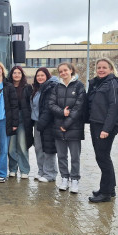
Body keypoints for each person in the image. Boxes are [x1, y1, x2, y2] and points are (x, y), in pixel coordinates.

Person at [85, 58, 118, 203]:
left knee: (103, 158)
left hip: (106, 126)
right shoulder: (98, 83)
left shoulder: (112, 84)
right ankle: (109, 188)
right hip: (96, 123)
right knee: (102, 156)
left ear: (111, 69)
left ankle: (106, 193)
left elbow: (114, 107)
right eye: (99, 67)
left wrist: (106, 129)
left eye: (104, 67)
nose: (101, 70)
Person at [49, 62, 86, 193]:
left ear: (71, 70)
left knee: (75, 156)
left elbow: (78, 108)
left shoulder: (79, 86)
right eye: (61, 71)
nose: (63, 73)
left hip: (74, 127)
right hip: (58, 126)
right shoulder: (56, 87)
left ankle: (75, 180)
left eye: (65, 70)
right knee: (62, 156)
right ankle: (64, 178)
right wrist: (62, 112)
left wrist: (66, 124)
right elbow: (51, 104)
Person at [33, 68, 59, 182]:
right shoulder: (37, 89)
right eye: (38, 75)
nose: (40, 77)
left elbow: (49, 107)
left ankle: (50, 174)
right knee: (38, 148)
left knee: (48, 148)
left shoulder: (51, 88)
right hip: (37, 122)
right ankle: (41, 171)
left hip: (48, 123)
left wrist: (43, 122)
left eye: (42, 75)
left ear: (47, 76)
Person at [7, 66, 33, 179]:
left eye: (19, 73)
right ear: (11, 75)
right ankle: (12, 169)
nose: (16, 75)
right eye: (14, 73)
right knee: (11, 147)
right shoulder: (7, 86)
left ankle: (24, 170)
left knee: (22, 145)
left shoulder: (27, 88)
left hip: (23, 118)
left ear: (22, 75)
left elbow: (30, 105)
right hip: (11, 118)